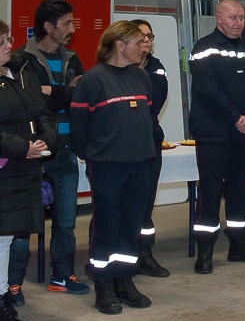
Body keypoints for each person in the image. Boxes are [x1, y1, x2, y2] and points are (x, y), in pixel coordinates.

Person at [70, 20, 155, 315]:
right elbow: (79, 127)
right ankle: (103, 284)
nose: (144, 46)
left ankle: (125, 280)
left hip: (140, 164)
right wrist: (92, 154)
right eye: (138, 42)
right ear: (119, 46)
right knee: (106, 225)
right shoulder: (93, 80)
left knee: (132, 225)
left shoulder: (141, 77)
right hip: (107, 166)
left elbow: (148, 116)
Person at [9, 0, 88, 306]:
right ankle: (12, 284)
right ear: (48, 27)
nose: (72, 28)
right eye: (66, 23)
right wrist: (64, 93)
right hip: (35, 151)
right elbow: (30, 102)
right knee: (22, 223)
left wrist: (53, 93)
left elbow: (80, 97)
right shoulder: (21, 59)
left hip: (67, 151)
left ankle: (63, 274)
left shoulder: (72, 57)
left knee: (66, 220)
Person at [188, 0, 245, 275]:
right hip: (213, 134)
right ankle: (205, 252)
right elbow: (208, 91)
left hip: (243, 135)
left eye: (242, 18)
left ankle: (239, 245)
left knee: (240, 192)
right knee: (210, 194)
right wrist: (237, 117)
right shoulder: (203, 49)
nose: (239, 23)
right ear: (218, 18)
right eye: (233, 18)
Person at [0, 19, 58, 321]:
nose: (10, 45)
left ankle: (5, 296)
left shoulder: (22, 72)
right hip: (8, 166)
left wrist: (46, 140)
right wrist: (22, 147)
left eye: (8, 38)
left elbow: (42, 111)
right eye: (1, 42)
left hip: (25, 170)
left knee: (8, 238)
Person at [130, 19, 170, 277]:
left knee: (146, 202)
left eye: (150, 36)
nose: (147, 41)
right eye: (141, 36)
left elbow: (154, 101)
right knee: (122, 204)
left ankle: (145, 253)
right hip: (123, 144)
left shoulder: (156, 69)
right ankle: (123, 255)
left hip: (150, 141)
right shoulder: (114, 68)